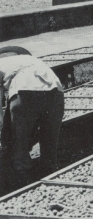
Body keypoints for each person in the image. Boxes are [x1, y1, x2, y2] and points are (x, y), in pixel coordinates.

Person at [0, 46, 64, 192]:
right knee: (49, 145)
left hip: (24, 91)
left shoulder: (2, 65)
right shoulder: (31, 60)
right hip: (56, 91)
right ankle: (51, 185)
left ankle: (23, 187)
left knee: (20, 146)